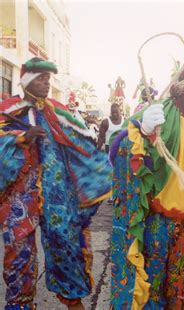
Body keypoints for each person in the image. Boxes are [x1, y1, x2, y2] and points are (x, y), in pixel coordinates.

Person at [109, 9, 184, 309]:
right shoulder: (161, 112)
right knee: (155, 284)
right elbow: (118, 150)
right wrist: (141, 130)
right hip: (160, 223)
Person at [0, 57, 111, 310]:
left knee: (65, 243)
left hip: (56, 193)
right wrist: (21, 138)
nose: (46, 83)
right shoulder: (9, 110)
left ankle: (73, 300)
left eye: (48, 79)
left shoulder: (57, 111)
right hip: (20, 196)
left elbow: (82, 142)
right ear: (27, 80)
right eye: (41, 78)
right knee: (18, 254)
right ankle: (20, 304)